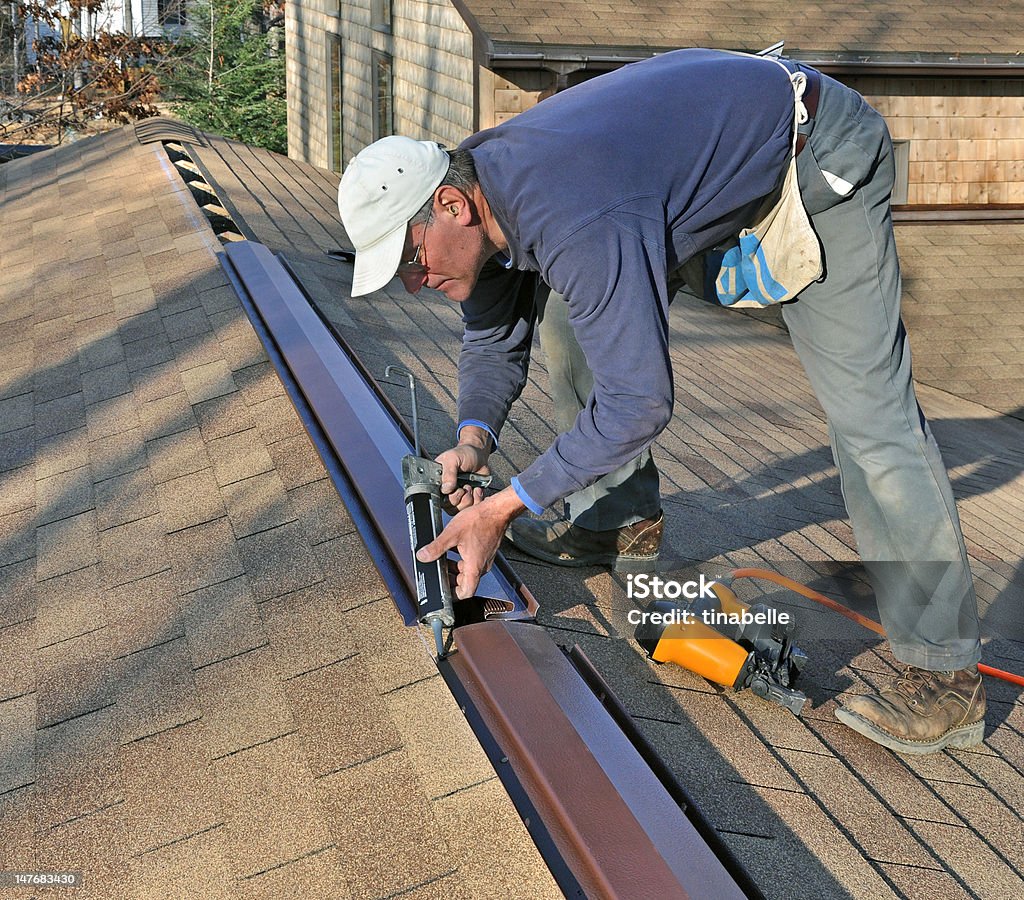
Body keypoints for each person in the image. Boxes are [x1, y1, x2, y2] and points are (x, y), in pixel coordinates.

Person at [337, 48, 985, 755]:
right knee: (567, 316)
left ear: (451, 206)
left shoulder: (573, 212)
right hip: (682, 176)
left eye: (409, 259)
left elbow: (639, 402)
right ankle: (613, 521)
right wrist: (470, 443)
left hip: (812, 156)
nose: (412, 281)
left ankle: (948, 675)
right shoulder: (485, 191)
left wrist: (506, 504)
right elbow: (494, 340)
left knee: (871, 419)